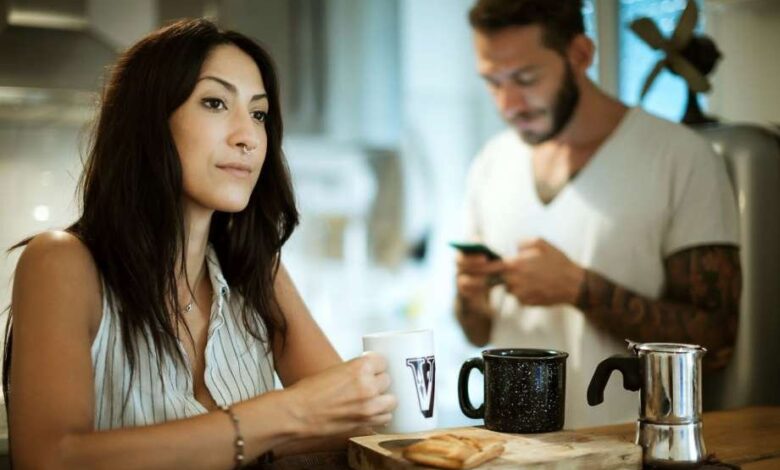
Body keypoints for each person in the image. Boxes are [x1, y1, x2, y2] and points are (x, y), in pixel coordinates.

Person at [2, 18, 396, 469]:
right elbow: (49, 459)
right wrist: (289, 413)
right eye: (214, 102)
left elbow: (355, 421)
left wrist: (288, 422)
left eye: (259, 113)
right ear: (149, 121)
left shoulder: (256, 272)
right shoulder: (62, 263)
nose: (247, 136)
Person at [455, 0, 741, 428]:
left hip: (626, 450)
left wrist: (580, 288)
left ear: (581, 55)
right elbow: (477, 333)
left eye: (526, 79)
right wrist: (469, 299)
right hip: (505, 451)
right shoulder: (490, 164)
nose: (508, 103)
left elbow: (715, 344)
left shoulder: (680, 158)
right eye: (492, 83)